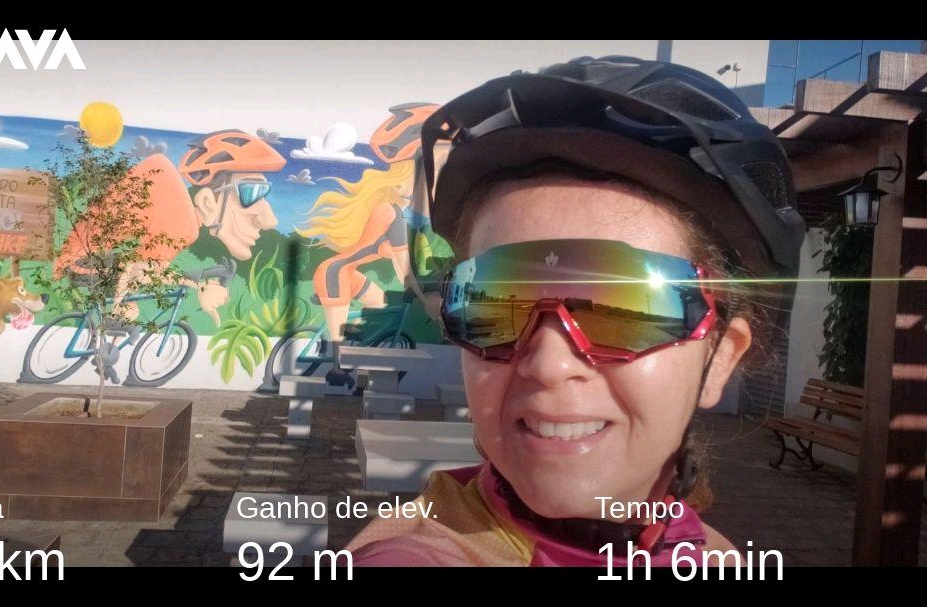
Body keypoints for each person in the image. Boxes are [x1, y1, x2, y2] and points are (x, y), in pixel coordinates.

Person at [344, 55, 805, 566]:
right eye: (491, 298)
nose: (548, 364)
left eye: (621, 305)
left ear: (720, 357)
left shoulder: (717, 556)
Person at [54, 129, 285, 381]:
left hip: (87, 258)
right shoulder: (181, 224)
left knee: (131, 305)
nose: (270, 220)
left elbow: (150, 266)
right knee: (129, 294)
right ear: (207, 202)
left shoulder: (176, 210)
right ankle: (109, 337)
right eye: (251, 193)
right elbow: (144, 271)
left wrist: (197, 280)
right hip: (83, 263)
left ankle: (105, 355)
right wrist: (199, 286)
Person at [297, 106, 442, 388]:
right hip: (334, 273)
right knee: (338, 341)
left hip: (348, 272)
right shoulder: (391, 213)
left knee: (378, 304)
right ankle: (337, 369)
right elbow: (403, 268)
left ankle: (355, 343)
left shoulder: (388, 206)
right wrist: (424, 298)